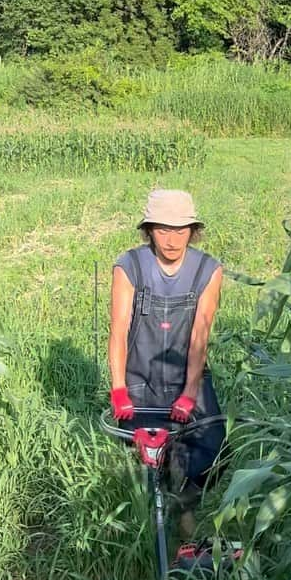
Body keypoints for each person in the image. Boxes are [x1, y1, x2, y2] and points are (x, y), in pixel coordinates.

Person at [108, 189, 225, 536]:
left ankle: (185, 506)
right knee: (147, 458)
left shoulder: (208, 270)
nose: (172, 240)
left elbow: (200, 335)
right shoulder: (129, 266)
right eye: (162, 230)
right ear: (148, 230)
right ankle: (152, 523)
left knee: (213, 443)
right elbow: (118, 332)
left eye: (180, 230)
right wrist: (118, 389)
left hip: (187, 374)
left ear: (193, 231)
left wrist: (190, 391)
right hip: (140, 377)